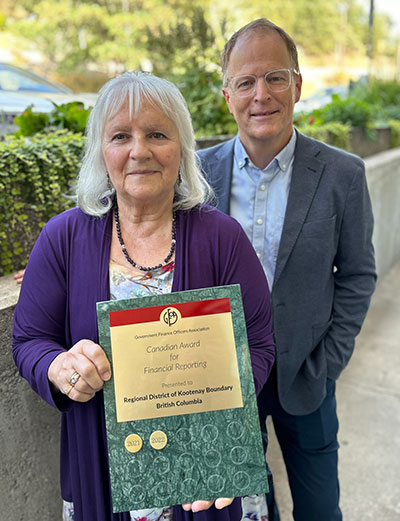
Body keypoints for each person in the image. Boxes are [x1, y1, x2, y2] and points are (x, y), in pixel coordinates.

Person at [12, 71, 275, 521]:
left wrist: (219, 420)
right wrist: (59, 367)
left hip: (207, 473)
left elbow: (261, 342)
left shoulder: (222, 238)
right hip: (103, 468)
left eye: (157, 134)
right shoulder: (63, 237)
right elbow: (29, 341)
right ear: (102, 150)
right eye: (120, 136)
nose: (139, 151)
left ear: (181, 148)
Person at [198, 18, 376, 521]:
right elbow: (129, 208)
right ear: (227, 94)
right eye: (246, 82)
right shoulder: (194, 173)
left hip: (309, 375)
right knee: (249, 510)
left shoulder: (343, 174)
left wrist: (329, 363)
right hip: (224, 382)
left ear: (298, 85)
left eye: (276, 78)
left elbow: (359, 275)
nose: (262, 95)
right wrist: (53, 252)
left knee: (321, 509)